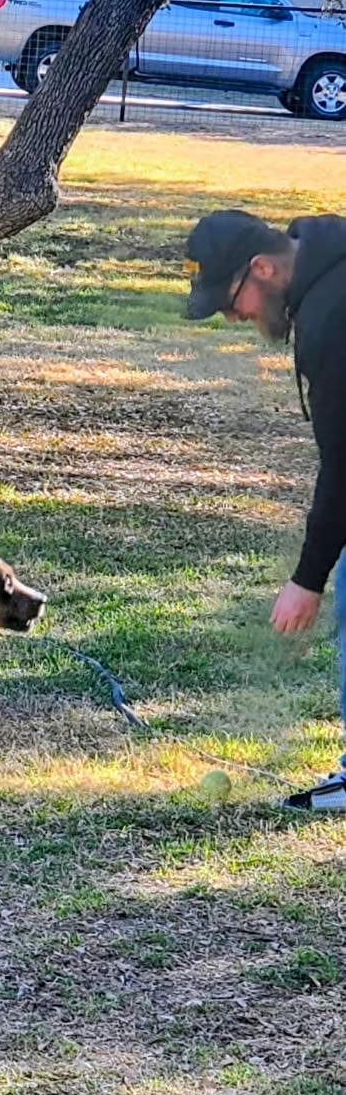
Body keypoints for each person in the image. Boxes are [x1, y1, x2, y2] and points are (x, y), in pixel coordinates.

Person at [184, 208, 346, 811]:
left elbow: (344, 464)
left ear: (263, 268)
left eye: (232, 303)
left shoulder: (332, 318)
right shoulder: (327, 256)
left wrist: (307, 579)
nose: (235, 318)